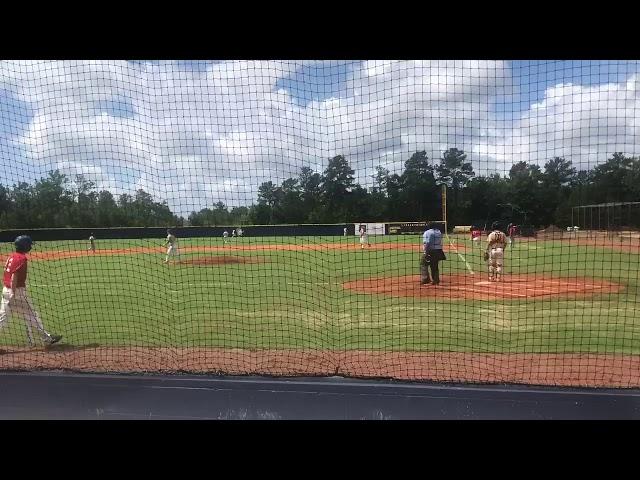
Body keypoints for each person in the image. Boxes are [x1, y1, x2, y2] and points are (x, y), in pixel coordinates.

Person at [0, 236, 62, 348]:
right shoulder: (21, 258)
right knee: (32, 315)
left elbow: (6, 274)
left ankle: (46, 338)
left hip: (5, 290)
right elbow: (14, 275)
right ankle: (47, 338)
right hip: (16, 292)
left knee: (2, 317)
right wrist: (14, 293)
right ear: (25, 246)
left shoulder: (12, 256)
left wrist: (8, 290)